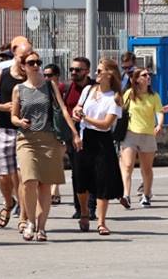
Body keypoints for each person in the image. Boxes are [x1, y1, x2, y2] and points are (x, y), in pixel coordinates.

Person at [11, 50, 81, 242]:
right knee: (29, 181)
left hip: (49, 139)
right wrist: (19, 122)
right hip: (27, 140)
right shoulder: (18, 89)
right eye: (31, 62)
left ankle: (42, 227)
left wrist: (74, 134)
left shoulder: (49, 86)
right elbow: (13, 116)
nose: (36, 66)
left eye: (38, 62)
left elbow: (63, 111)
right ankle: (30, 222)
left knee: (45, 185)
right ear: (24, 66)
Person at [0, 36, 31, 230]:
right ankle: (8, 203)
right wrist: (1, 107)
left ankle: (23, 218)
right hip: (4, 129)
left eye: (29, 57)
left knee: (22, 175)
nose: (26, 62)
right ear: (14, 55)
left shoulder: (35, 72)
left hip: (26, 132)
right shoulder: (2, 72)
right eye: (22, 58)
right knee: (4, 175)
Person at [72, 58, 125, 235]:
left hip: (102, 141)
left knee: (102, 182)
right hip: (84, 137)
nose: (96, 74)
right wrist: (77, 112)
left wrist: (86, 118)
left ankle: (101, 222)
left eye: (100, 71)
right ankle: (84, 211)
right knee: (81, 181)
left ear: (110, 74)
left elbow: (106, 124)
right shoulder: (88, 90)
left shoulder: (115, 98)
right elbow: (78, 108)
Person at [119, 69, 164, 208]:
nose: (148, 77)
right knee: (127, 165)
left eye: (148, 75)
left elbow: (159, 111)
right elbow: (120, 109)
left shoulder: (154, 96)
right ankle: (126, 195)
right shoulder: (129, 94)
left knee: (146, 168)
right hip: (130, 133)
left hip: (147, 134)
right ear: (137, 79)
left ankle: (146, 194)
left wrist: (160, 124)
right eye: (144, 75)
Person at [63, 56, 97, 221]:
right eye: (71, 69)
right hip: (72, 134)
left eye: (77, 70)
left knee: (92, 171)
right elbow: (64, 111)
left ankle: (91, 207)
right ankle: (79, 207)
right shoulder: (69, 88)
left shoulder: (94, 88)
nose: (73, 73)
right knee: (76, 173)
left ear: (87, 71)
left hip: (91, 133)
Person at [43, 63, 64, 206]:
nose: (46, 78)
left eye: (49, 75)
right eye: (44, 75)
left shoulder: (62, 88)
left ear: (57, 76)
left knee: (58, 158)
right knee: (51, 160)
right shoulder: (43, 90)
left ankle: (55, 190)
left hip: (61, 128)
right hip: (48, 128)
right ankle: (54, 190)